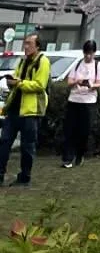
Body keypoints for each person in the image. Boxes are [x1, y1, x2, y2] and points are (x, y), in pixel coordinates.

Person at [0, 34, 51, 186]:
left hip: (31, 110)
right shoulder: (22, 61)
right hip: (14, 108)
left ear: (37, 46)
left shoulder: (43, 61)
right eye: (25, 43)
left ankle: (24, 177)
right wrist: (11, 82)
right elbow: (17, 78)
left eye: (29, 43)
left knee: (27, 146)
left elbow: (39, 85)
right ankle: (0, 174)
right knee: (4, 141)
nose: (26, 46)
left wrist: (19, 83)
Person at [61, 40, 100, 168]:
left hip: (89, 101)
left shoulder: (98, 66)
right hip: (74, 99)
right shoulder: (77, 64)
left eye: (90, 53)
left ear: (94, 53)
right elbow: (69, 81)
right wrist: (76, 82)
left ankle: (80, 154)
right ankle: (67, 158)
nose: (88, 56)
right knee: (70, 129)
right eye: (86, 53)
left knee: (84, 130)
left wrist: (92, 85)